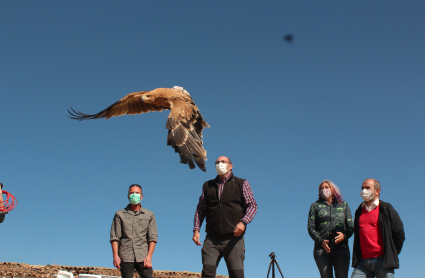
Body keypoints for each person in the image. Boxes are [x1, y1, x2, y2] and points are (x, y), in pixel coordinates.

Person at [192, 156, 258, 278]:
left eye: (223, 162)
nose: (219, 164)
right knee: (207, 272)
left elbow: (252, 205)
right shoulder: (208, 185)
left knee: (236, 274)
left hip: (234, 238)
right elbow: (201, 209)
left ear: (230, 166)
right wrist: (196, 229)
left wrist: (243, 222)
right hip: (212, 238)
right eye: (217, 162)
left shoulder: (241, 183)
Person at [351, 179, 405, 278]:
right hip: (362, 262)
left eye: (368, 188)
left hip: (382, 261)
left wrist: (391, 253)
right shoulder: (359, 211)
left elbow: (399, 233)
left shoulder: (386, 209)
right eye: (362, 188)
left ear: (377, 191)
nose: (364, 191)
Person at [308, 180, 354, 278]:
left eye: (327, 187)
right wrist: (321, 241)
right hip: (322, 250)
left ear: (333, 190)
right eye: (322, 188)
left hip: (341, 249)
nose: (324, 190)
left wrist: (344, 236)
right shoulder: (315, 206)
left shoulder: (343, 205)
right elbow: (310, 227)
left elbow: (351, 226)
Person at [110, 184, 158, 278]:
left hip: (143, 256)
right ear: (128, 196)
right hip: (125, 255)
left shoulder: (149, 215)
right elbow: (115, 237)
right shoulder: (119, 214)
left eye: (137, 193)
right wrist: (115, 255)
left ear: (141, 196)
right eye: (132, 193)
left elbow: (152, 238)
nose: (134, 195)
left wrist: (149, 256)